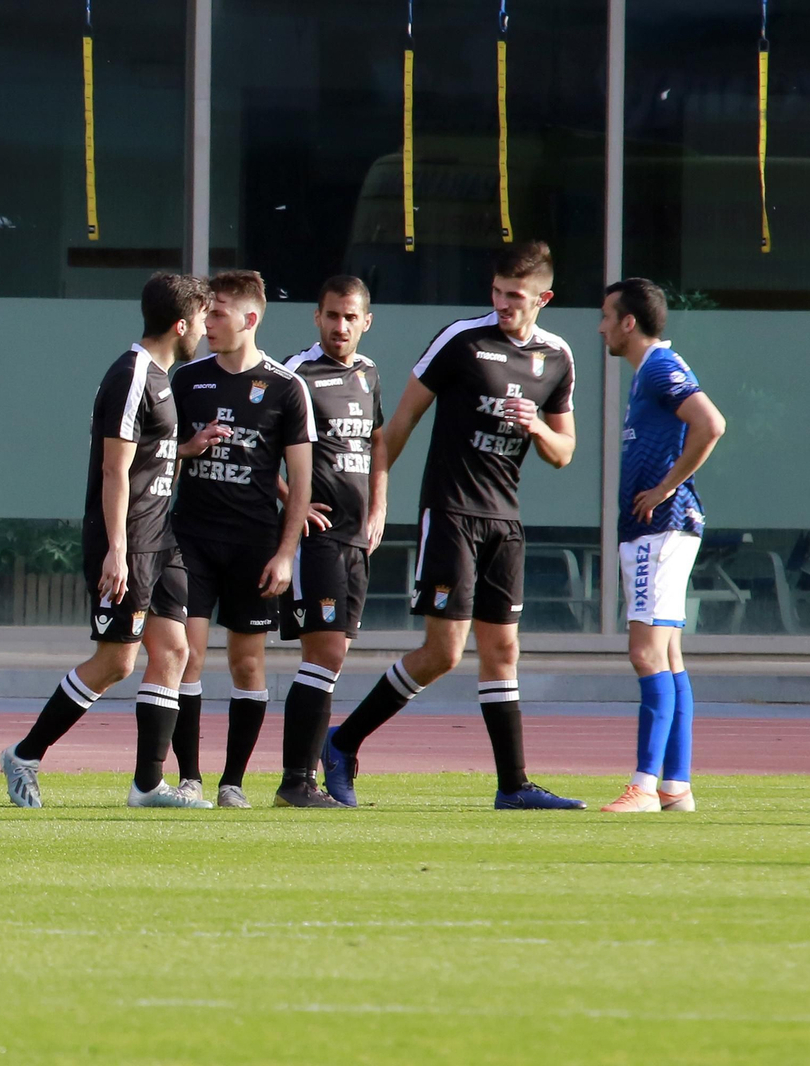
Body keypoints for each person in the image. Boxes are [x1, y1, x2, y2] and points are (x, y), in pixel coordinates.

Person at [323, 240, 587, 810]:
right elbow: (396, 427)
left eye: (515, 296)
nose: (502, 304)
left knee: (503, 652)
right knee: (443, 653)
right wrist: (374, 502)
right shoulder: (462, 340)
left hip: (504, 521)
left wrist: (537, 428)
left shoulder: (558, 357)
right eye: (495, 292)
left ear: (544, 297)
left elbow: (564, 452)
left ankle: (513, 786)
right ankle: (342, 743)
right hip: (449, 513)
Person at [0, 273, 220, 810]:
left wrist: (185, 448)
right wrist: (117, 551)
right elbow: (115, 471)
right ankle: (24, 755)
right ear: (180, 323)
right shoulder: (133, 376)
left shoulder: (164, 377)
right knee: (116, 661)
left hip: (158, 535)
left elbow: (148, 454)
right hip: (125, 541)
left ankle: (148, 786)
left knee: (174, 649)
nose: (206, 331)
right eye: (202, 320)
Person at [169, 270, 316, 809]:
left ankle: (232, 783)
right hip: (191, 538)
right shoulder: (187, 379)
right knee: (185, 653)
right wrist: (189, 448)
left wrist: (286, 552)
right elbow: (160, 454)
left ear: (250, 319)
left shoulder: (285, 387)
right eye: (206, 312)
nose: (207, 323)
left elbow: (300, 481)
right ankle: (189, 780)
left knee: (247, 664)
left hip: (254, 544)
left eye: (218, 312)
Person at [598, 278, 725, 813]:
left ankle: (644, 786)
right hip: (659, 529)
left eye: (607, 315)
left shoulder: (657, 366)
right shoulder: (644, 374)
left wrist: (666, 486)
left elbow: (710, 423)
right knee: (669, 655)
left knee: (645, 652)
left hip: (662, 527)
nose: (601, 325)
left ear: (630, 322)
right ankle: (676, 785)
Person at [280, 275, 388, 808]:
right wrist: (291, 502)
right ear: (316, 318)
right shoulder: (296, 375)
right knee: (322, 652)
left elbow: (378, 442)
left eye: (350, 317)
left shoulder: (369, 374)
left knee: (335, 654)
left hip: (355, 540)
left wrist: (380, 508)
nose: (340, 326)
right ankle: (295, 781)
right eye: (331, 316)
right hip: (316, 539)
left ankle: (306, 775)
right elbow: (258, 449)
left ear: (366, 322)